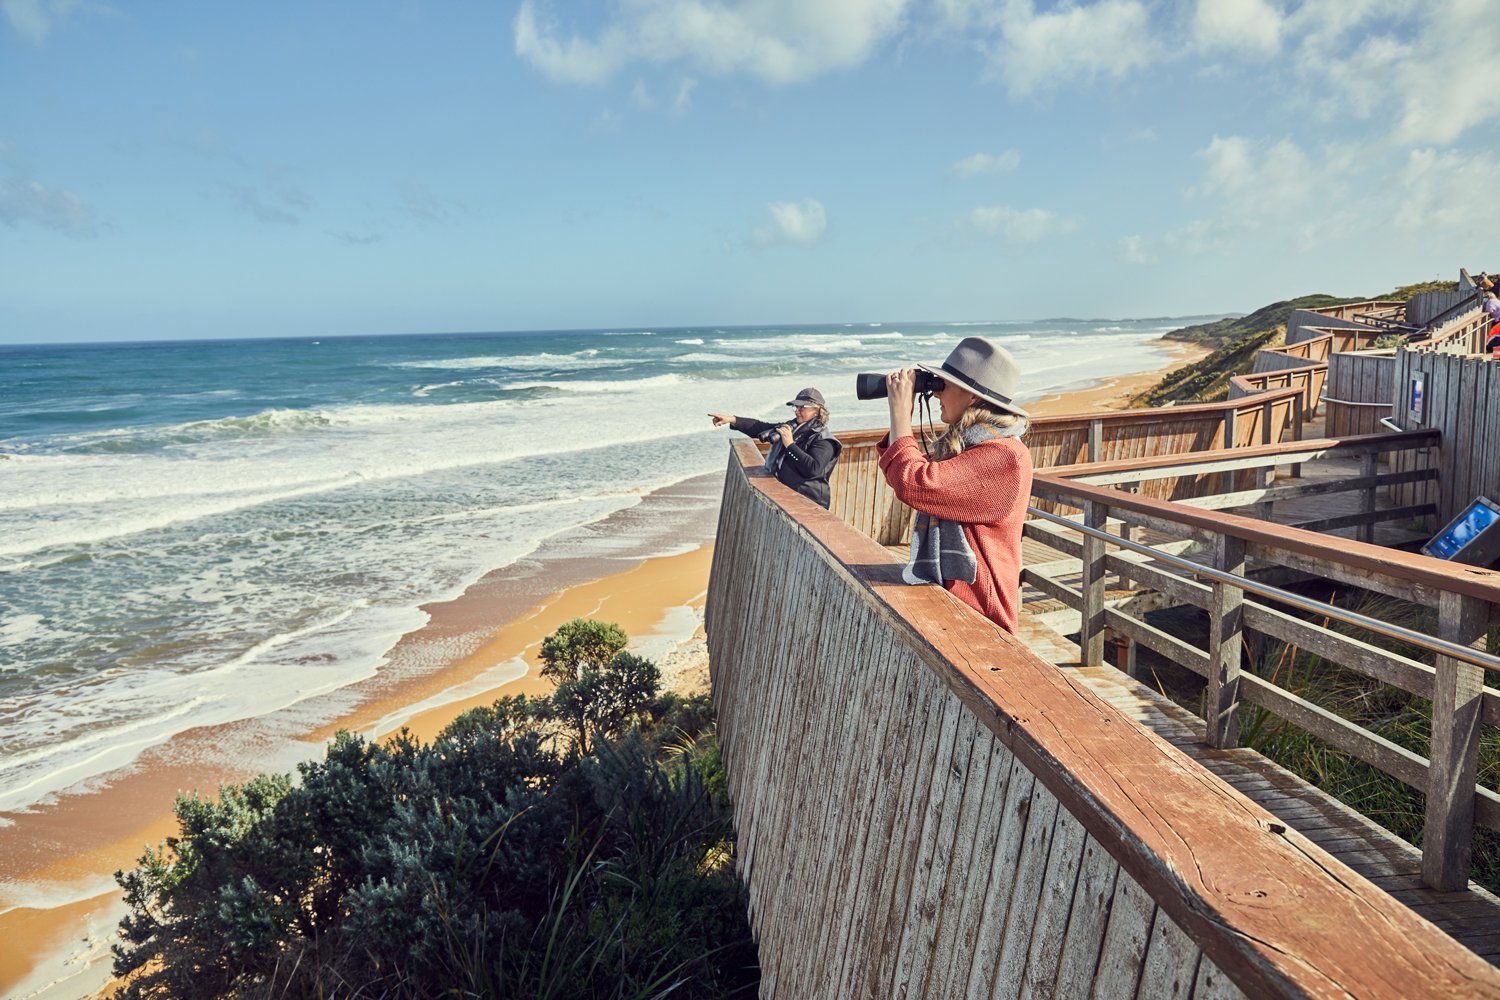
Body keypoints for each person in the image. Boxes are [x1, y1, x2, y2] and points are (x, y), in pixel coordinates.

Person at [876, 337, 1033, 633]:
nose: (935, 394)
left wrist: (899, 414)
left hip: (983, 618)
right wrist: (900, 420)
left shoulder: (1005, 457)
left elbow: (915, 481)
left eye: (943, 385)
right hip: (956, 606)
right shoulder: (971, 449)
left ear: (972, 396)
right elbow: (906, 469)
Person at [709, 388, 843, 508]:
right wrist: (732, 419)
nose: (797, 411)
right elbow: (760, 427)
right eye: (795, 407)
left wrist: (790, 445)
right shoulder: (794, 427)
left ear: (817, 411)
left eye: (802, 407)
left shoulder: (824, 440)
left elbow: (812, 469)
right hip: (788, 497)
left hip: (810, 504)